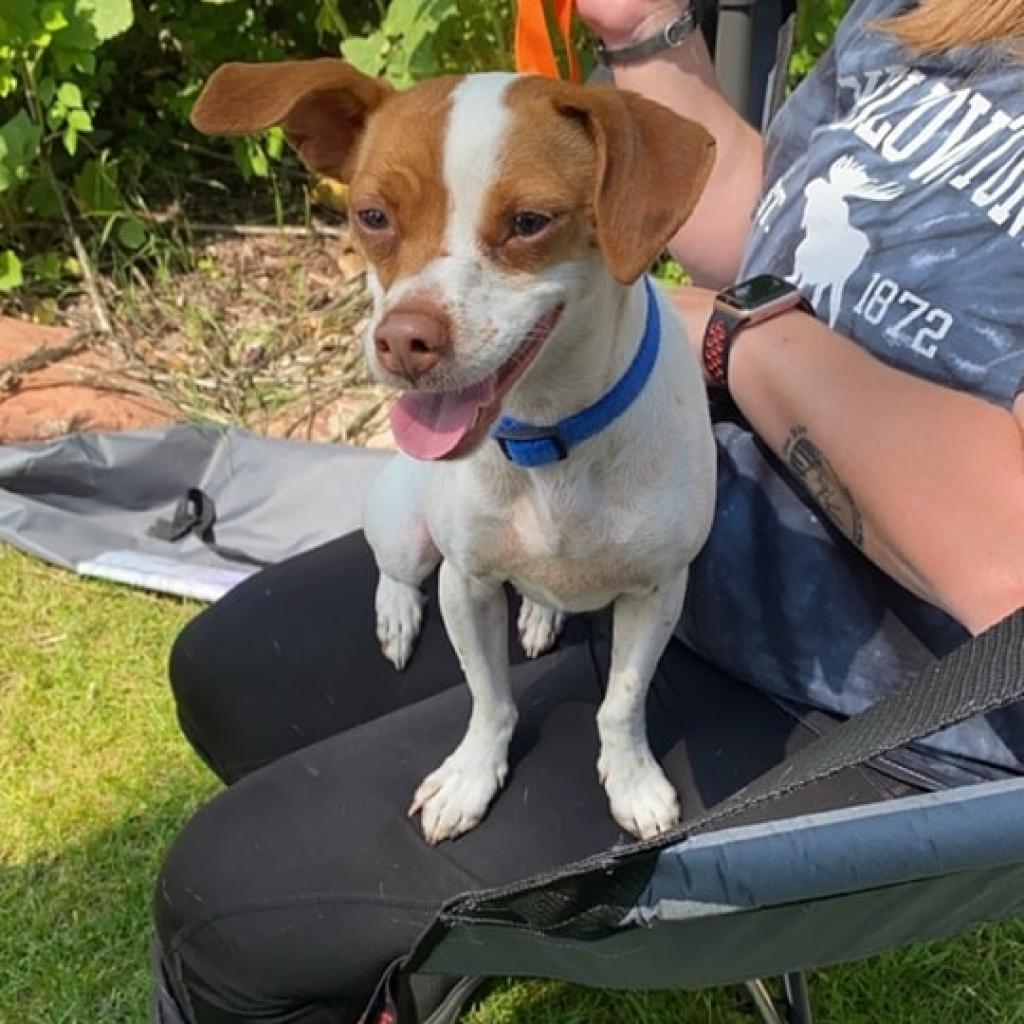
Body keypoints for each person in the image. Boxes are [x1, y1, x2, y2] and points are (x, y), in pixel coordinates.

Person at [150, 1, 1024, 1021]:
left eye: (522, 226)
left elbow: (1006, 556)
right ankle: (390, 939)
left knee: (225, 913)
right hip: (633, 490)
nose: (409, 322)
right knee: (227, 674)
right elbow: (771, 215)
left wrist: (743, 338)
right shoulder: (923, 10)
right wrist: (641, 25)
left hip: (881, 685)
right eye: (378, 221)